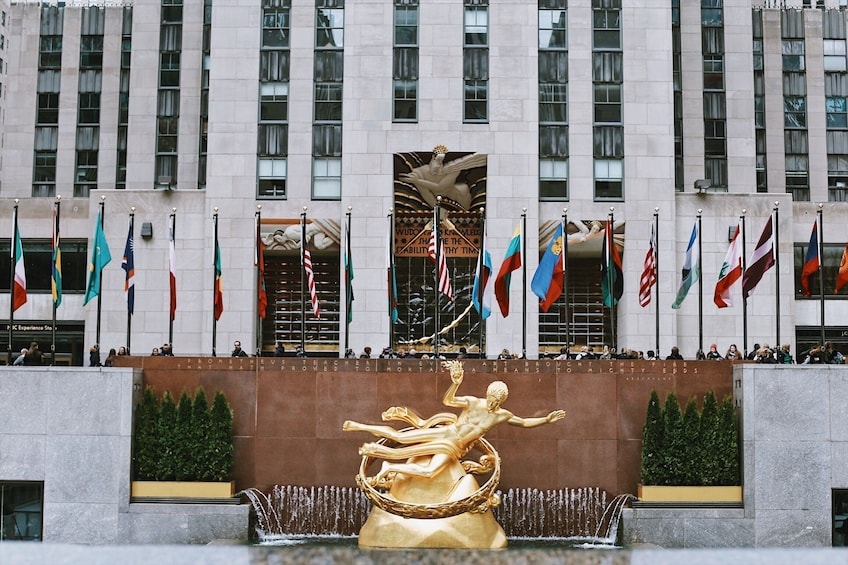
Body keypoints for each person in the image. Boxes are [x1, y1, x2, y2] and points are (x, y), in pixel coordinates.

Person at [343, 360, 566, 486]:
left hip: (455, 448)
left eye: (497, 400)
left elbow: (524, 422)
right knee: (400, 437)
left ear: (502, 401)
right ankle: (359, 426)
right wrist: (455, 383)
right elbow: (448, 400)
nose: (492, 402)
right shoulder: (472, 402)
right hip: (446, 434)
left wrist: (546, 420)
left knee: (430, 472)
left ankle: (389, 467)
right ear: (487, 394)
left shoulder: (501, 415)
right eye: (491, 398)